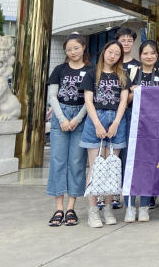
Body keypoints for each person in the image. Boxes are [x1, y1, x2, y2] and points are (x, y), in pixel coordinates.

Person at [79, 40, 129, 228]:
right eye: (110, 52)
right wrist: (98, 124)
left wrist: (116, 123)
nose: (113, 56)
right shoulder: (92, 73)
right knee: (95, 166)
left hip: (117, 121)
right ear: (104, 52)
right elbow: (88, 101)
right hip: (96, 119)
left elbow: (123, 101)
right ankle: (93, 210)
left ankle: (108, 208)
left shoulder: (122, 75)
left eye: (117, 54)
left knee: (111, 167)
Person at [45, 34, 90, 227]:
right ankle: (58, 208)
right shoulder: (59, 69)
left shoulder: (90, 70)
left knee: (77, 162)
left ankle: (71, 207)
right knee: (57, 162)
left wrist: (77, 119)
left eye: (76, 48)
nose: (73, 52)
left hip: (80, 118)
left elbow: (90, 99)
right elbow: (52, 96)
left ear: (83, 47)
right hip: (60, 117)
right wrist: (62, 119)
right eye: (69, 49)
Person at [125, 40, 159, 223]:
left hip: (154, 125)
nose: (149, 56)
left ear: (157, 55)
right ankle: (129, 206)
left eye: (152, 53)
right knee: (131, 163)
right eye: (145, 53)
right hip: (133, 123)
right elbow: (125, 99)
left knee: (149, 164)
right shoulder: (131, 72)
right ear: (140, 55)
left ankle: (144, 206)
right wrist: (133, 92)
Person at [113, 26, 140, 210]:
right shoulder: (111, 63)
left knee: (128, 154)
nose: (126, 43)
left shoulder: (139, 65)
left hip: (132, 113)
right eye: (123, 40)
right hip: (110, 113)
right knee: (113, 154)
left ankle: (126, 191)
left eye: (129, 40)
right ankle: (112, 192)